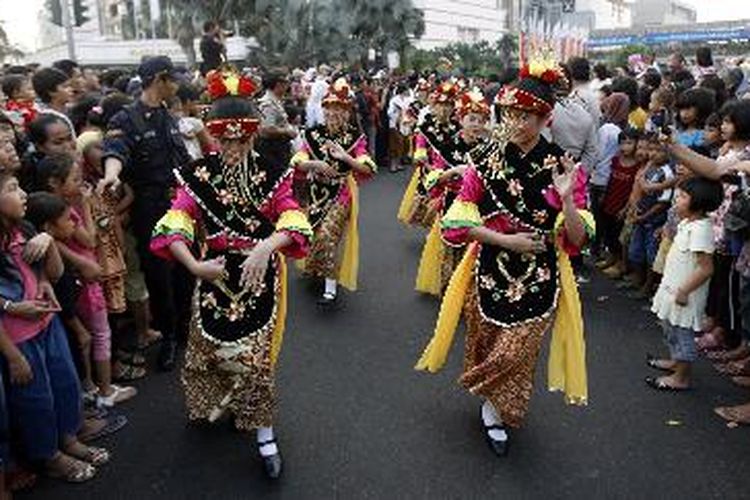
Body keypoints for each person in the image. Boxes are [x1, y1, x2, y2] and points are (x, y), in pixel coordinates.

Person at [415, 61, 592, 457]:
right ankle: (491, 403)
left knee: (518, 352)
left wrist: (566, 198)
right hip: (489, 268)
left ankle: (490, 402)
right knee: (488, 341)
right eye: (509, 113)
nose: (514, 121)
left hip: (541, 275)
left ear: (546, 119)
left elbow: (577, 240)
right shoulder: (486, 162)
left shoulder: (563, 166)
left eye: (524, 115)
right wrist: (503, 240)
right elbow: (456, 223)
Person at [149, 70, 312, 479]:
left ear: (253, 135)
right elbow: (174, 223)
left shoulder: (273, 171)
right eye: (225, 140)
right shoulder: (198, 175)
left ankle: (264, 434)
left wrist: (265, 246)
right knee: (207, 347)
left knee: (255, 360)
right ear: (214, 136)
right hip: (212, 272)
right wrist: (192, 265)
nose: (234, 148)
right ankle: (215, 403)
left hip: (259, 274)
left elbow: (293, 218)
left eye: (241, 140)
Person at [0, 171, 108, 483]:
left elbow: (54, 273)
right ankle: (48, 455)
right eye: (11, 189)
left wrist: (47, 248)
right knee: (36, 400)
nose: (22, 194)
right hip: (17, 339)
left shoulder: (25, 229)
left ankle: (69, 438)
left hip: (47, 324)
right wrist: (13, 354)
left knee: (64, 384)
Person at [99, 56, 192, 371]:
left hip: (180, 204)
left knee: (185, 271)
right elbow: (115, 151)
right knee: (159, 274)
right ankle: (167, 336)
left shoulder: (167, 114)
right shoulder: (126, 119)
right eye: (174, 78)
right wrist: (112, 174)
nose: (178, 84)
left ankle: (184, 329)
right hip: (150, 209)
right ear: (160, 79)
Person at [292, 78, 377, 305]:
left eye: (339, 110)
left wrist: (346, 158)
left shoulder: (354, 138)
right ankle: (314, 267)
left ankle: (330, 286)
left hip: (341, 192)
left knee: (328, 235)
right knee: (313, 232)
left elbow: (369, 167)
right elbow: (297, 161)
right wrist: (314, 165)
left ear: (347, 113)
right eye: (329, 109)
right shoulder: (312, 134)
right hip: (315, 191)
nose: (333, 114)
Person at [646, 177, 723, 391]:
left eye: (682, 197)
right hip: (674, 290)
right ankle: (676, 362)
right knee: (670, 329)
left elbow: (706, 268)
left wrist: (684, 291)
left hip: (684, 295)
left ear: (699, 202)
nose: (676, 200)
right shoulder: (688, 223)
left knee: (682, 335)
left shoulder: (700, 229)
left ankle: (681, 377)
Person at [414, 88, 489, 296]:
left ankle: (468, 293)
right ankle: (451, 293)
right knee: (450, 249)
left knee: (474, 252)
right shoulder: (448, 146)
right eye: (472, 119)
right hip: (452, 204)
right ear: (462, 119)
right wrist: (454, 172)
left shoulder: (488, 149)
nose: (476, 124)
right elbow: (434, 178)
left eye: (481, 120)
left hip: (479, 208)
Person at [398, 80, 460, 229]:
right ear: (434, 106)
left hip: (454, 172)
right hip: (432, 172)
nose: (444, 110)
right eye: (441, 105)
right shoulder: (425, 127)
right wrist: (429, 166)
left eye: (448, 106)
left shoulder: (458, 127)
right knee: (432, 209)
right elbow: (420, 152)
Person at [599, 127, 643, 279]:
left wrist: (625, 209)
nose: (625, 147)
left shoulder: (638, 166)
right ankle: (612, 257)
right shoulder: (616, 160)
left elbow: (634, 191)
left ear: (637, 144)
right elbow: (610, 181)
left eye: (629, 143)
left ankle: (621, 264)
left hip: (623, 205)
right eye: (622, 143)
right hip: (610, 200)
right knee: (609, 232)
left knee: (620, 236)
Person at [257, 72, 297, 170]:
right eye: (285, 83)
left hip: (280, 146)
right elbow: (266, 128)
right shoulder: (268, 103)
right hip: (272, 148)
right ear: (278, 85)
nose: (287, 86)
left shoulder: (275, 100)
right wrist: (286, 131)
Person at [31, 67, 75, 136]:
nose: (71, 90)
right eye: (65, 87)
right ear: (51, 92)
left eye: (70, 86)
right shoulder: (45, 119)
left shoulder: (71, 110)